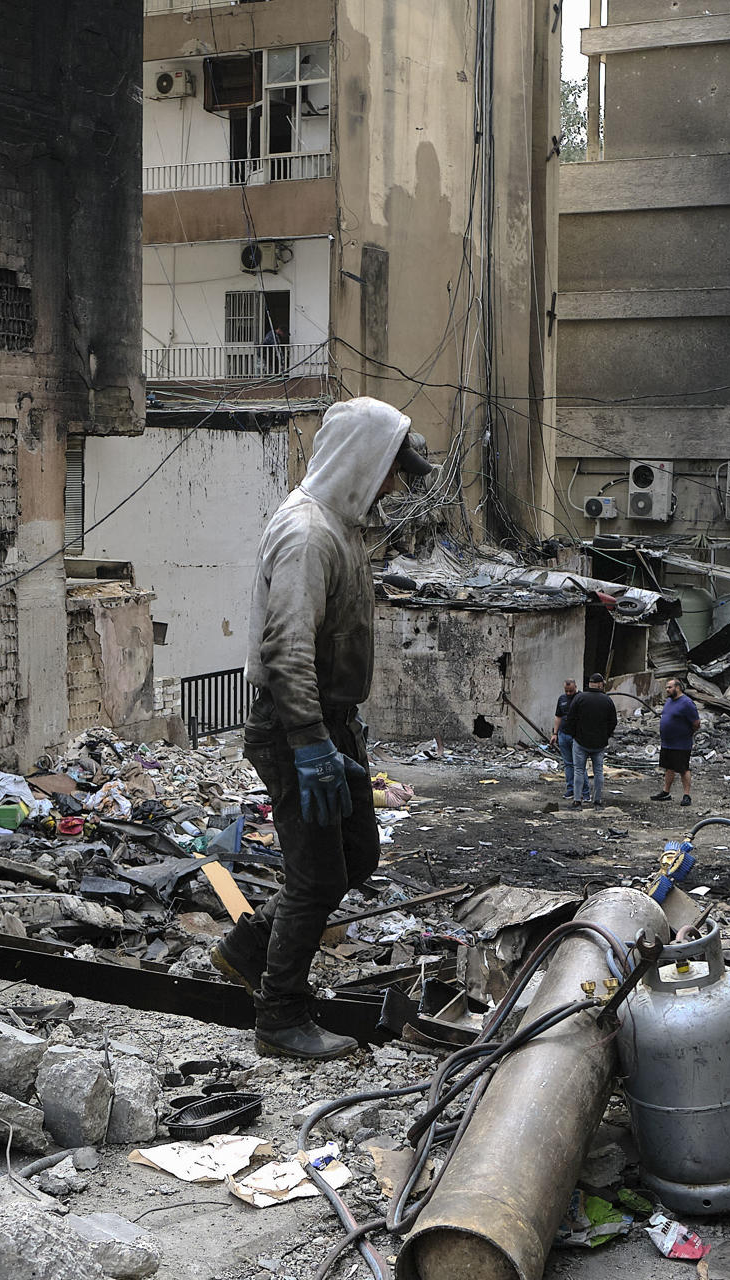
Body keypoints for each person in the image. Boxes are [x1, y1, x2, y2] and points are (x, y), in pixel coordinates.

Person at [209, 398, 434, 1060]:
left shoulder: (338, 527)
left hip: (328, 724)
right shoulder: (308, 534)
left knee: (356, 856)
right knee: (314, 877)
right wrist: (309, 742)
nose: (394, 486)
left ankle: (252, 948)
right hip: (295, 727)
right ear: (365, 462)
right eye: (392, 470)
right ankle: (279, 1015)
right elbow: (287, 648)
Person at [564, 673, 617, 807]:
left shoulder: (580, 698)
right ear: (600, 684)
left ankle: (577, 800)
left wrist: (575, 734)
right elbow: (613, 722)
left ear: (589, 684)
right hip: (599, 743)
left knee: (579, 770)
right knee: (598, 771)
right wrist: (606, 735)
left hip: (580, 741)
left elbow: (570, 719)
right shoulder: (607, 700)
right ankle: (597, 800)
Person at [652, 677, 702, 806]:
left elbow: (696, 723)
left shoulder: (687, 703)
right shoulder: (669, 701)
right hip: (667, 743)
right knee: (669, 768)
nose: (667, 690)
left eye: (670, 687)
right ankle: (666, 792)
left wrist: (687, 733)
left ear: (678, 688)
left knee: (683, 769)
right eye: (667, 687)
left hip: (681, 743)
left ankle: (686, 795)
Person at [549, 678, 580, 801]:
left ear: (575, 687)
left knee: (579, 765)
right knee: (568, 764)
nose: (568, 693)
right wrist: (555, 734)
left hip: (576, 736)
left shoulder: (580, 698)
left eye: (571, 691)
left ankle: (583, 791)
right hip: (563, 735)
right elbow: (558, 716)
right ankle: (570, 789)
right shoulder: (561, 699)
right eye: (566, 691)